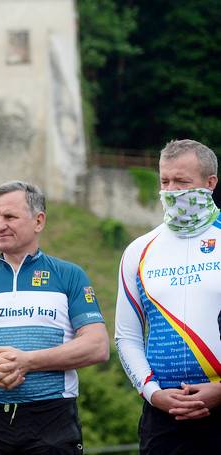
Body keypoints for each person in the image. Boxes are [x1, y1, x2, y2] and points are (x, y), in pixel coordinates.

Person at [0, 181, 108, 454]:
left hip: (52, 415)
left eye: (9, 217)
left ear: (38, 221)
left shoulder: (70, 275)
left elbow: (97, 346)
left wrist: (27, 361)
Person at [115, 139, 221, 454]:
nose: (172, 190)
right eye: (165, 181)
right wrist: (152, 393)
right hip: (163, 415)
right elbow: (126, 337)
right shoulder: (138, 250)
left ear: (210, 183)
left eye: (182, 181)